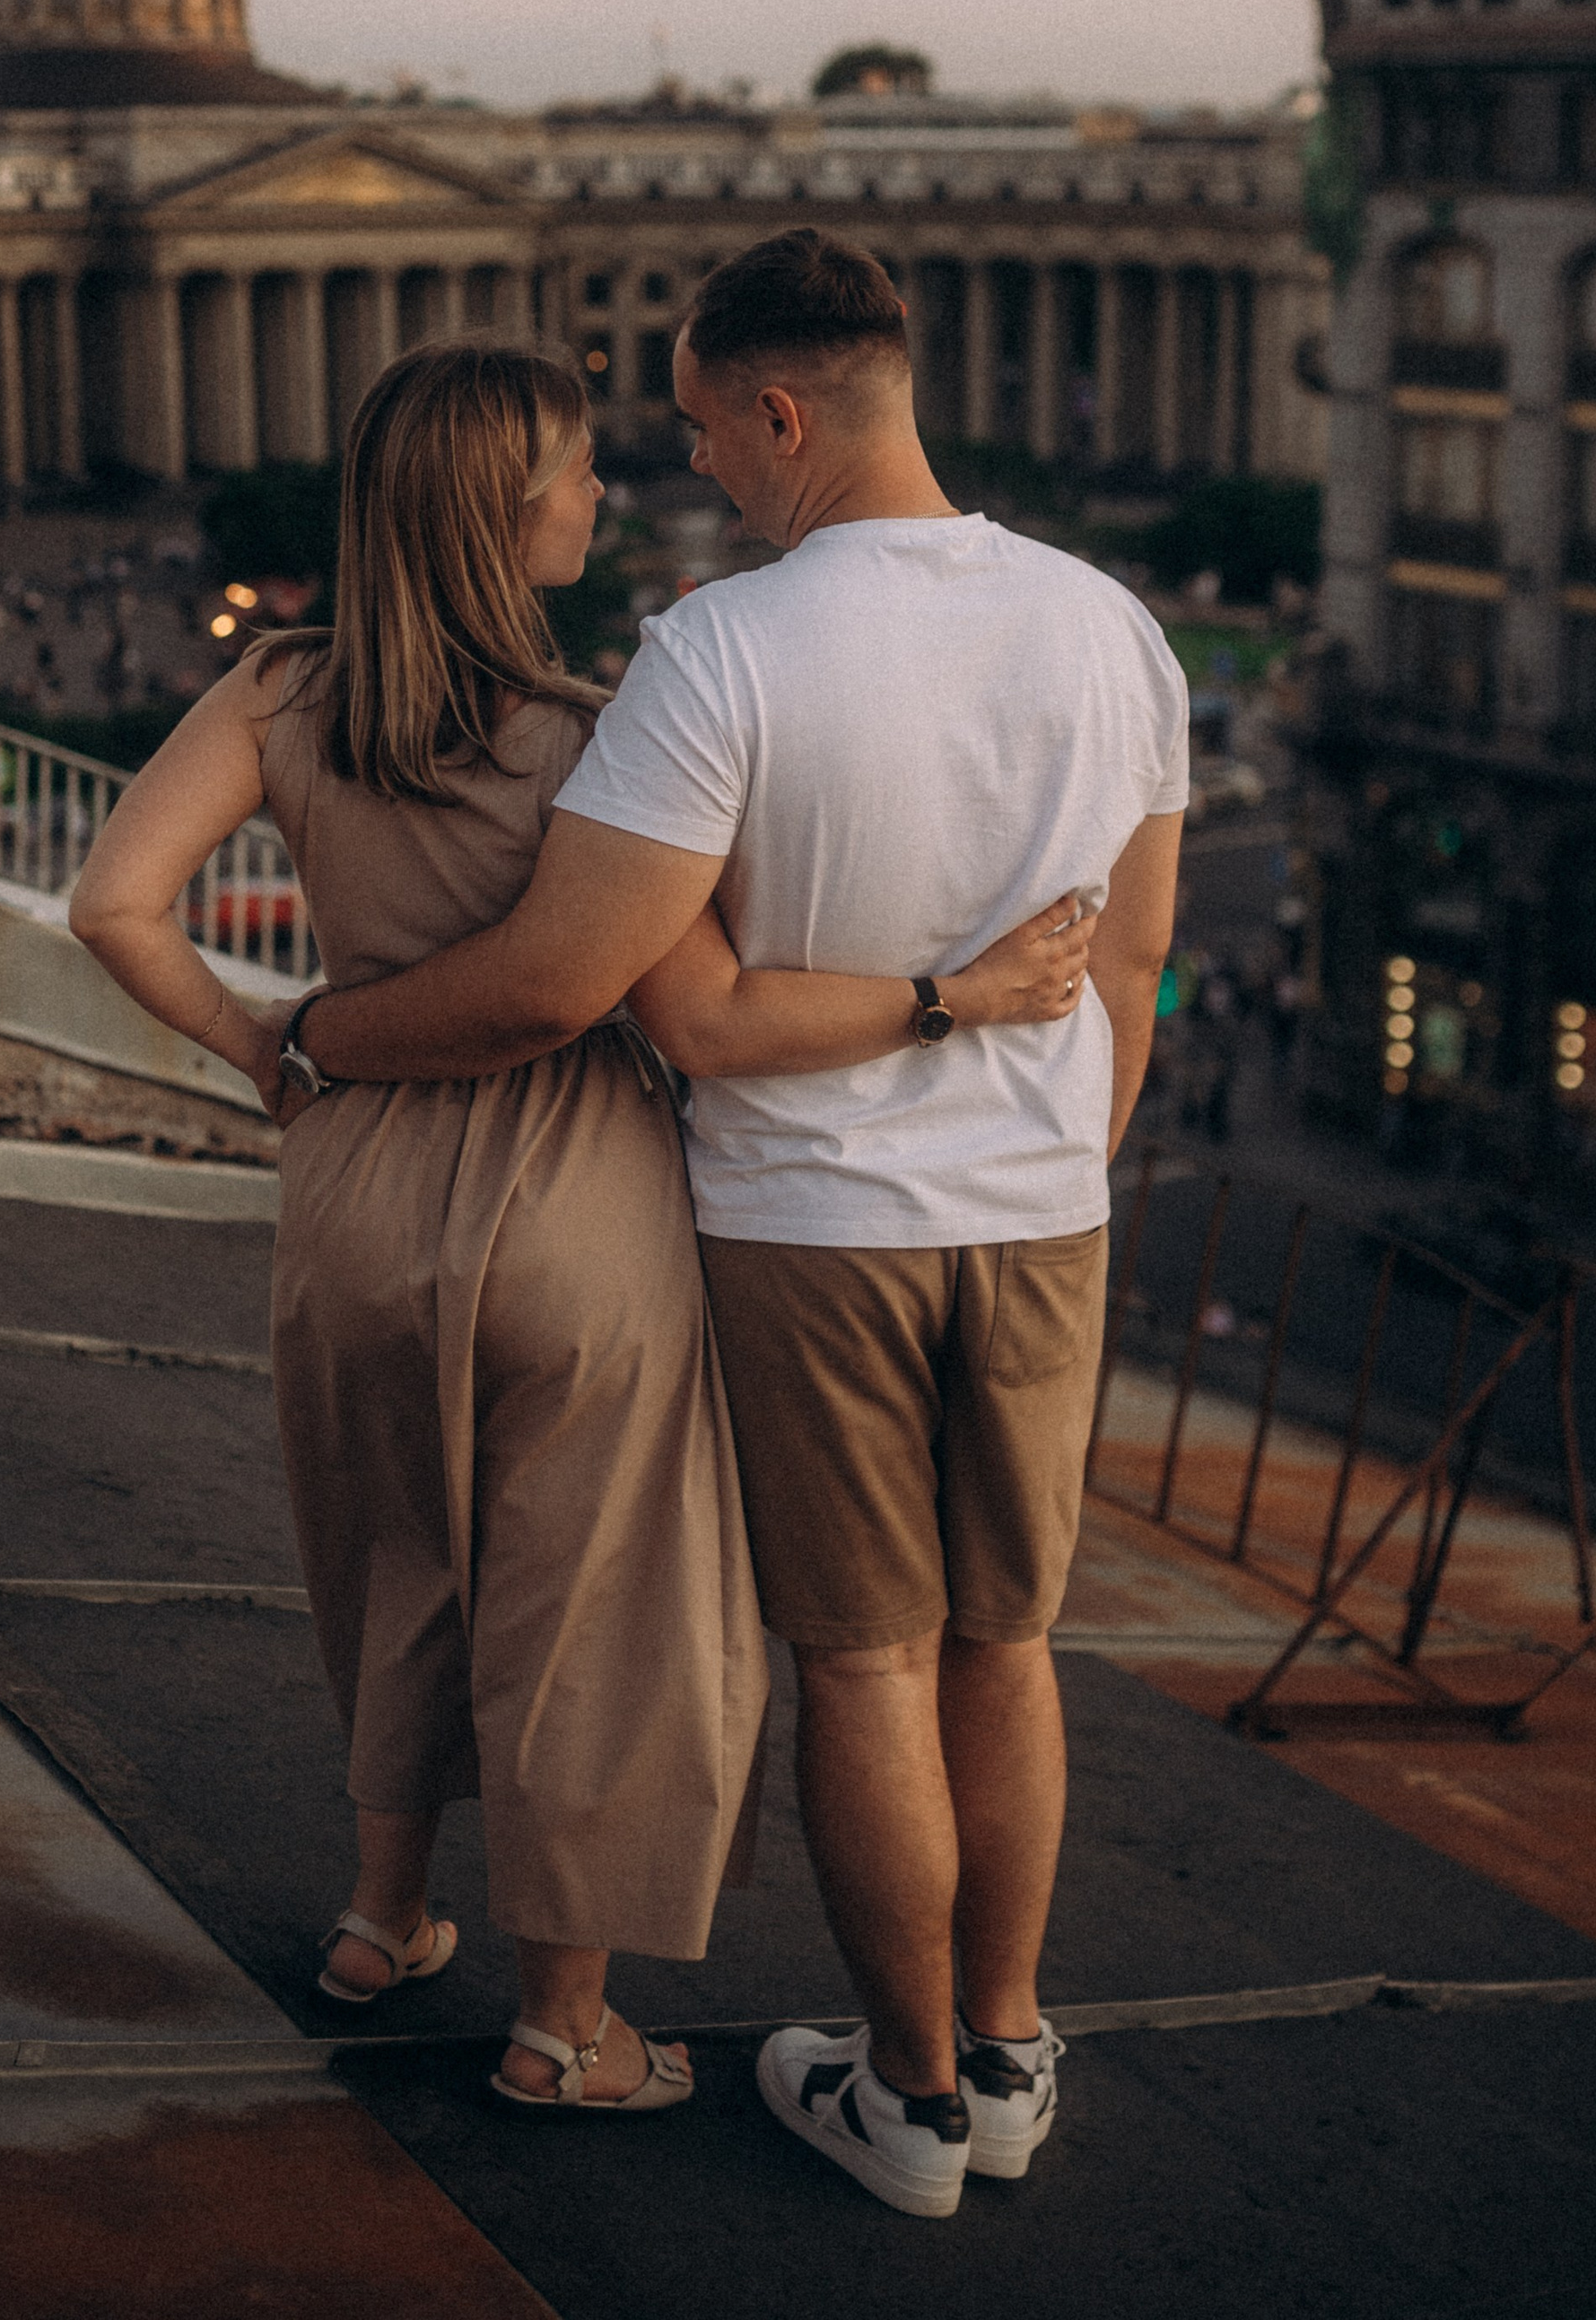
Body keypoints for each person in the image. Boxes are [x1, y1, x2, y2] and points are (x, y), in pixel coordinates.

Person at [263, 235, 1187, 2220]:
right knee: (1006, 1647)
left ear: (779, 412)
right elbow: (1138, 961)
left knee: (862, 1666)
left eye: (694, 429)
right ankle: (1011, 2047)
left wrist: (319, 1036)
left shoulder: (719, 653)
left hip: (807, 1227)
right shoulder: (1109, 625)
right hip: (1040, 1219)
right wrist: (1061, 1160)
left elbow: (585, 997)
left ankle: (912, 2101)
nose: (688, 472)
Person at [68, 338, 1093, 2119]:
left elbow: (110, 902)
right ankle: (566, 2027)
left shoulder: (274, 694)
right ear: (498, 511)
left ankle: (383, 1917)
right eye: (568, 473)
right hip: (574, 1198)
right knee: (591, 1610)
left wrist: (264, 1042)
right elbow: (686, 1004)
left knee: (392, 1551)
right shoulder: (600, 732)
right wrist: (961, 991)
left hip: (355, 1183)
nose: (601, 491)